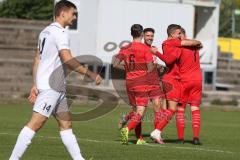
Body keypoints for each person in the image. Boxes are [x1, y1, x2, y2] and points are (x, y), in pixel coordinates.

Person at [9, 1, 102, 160]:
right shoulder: (60, 32)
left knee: (66, 125)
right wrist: (90, 74)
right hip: (51, 87)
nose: (75, 17)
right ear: (63, 13)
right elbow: (67, 58)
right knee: (36, 123)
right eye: (73, 14)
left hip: (56, 87)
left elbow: (37, 59)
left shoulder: (45, 31)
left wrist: (35, 84)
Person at [150, 24, 201, 144]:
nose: (179, 37)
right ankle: (194, 137)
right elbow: (169, 60)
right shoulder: (178, 44)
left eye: (180, 34)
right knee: (188, 108)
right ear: (172, 34)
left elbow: (170, 60)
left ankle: (174, 137)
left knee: (174, 109)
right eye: (178, 34)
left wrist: (157, 52)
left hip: (180, 80)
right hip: (187, 80)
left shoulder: (178, 45)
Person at [113, 24, 162, 145]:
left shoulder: (125, 47)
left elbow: (115, 64)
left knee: (135, 111)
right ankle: (127, 129)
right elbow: (150, 67)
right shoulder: (145, 49)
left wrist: (129, 68)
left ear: (131, 34)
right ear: (141, 34)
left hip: (129, 82)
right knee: (140, 111)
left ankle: (139, 139)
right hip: (141, 82)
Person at [175, 28, 202, 145]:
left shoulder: (180, 47)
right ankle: (195, 137)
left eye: (177, 34)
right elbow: (199, 43)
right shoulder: (195, 45)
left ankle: (181, 138)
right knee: (195, 108)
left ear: (181, 34)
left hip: (185, 80)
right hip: (197, 80)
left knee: (180, 109)